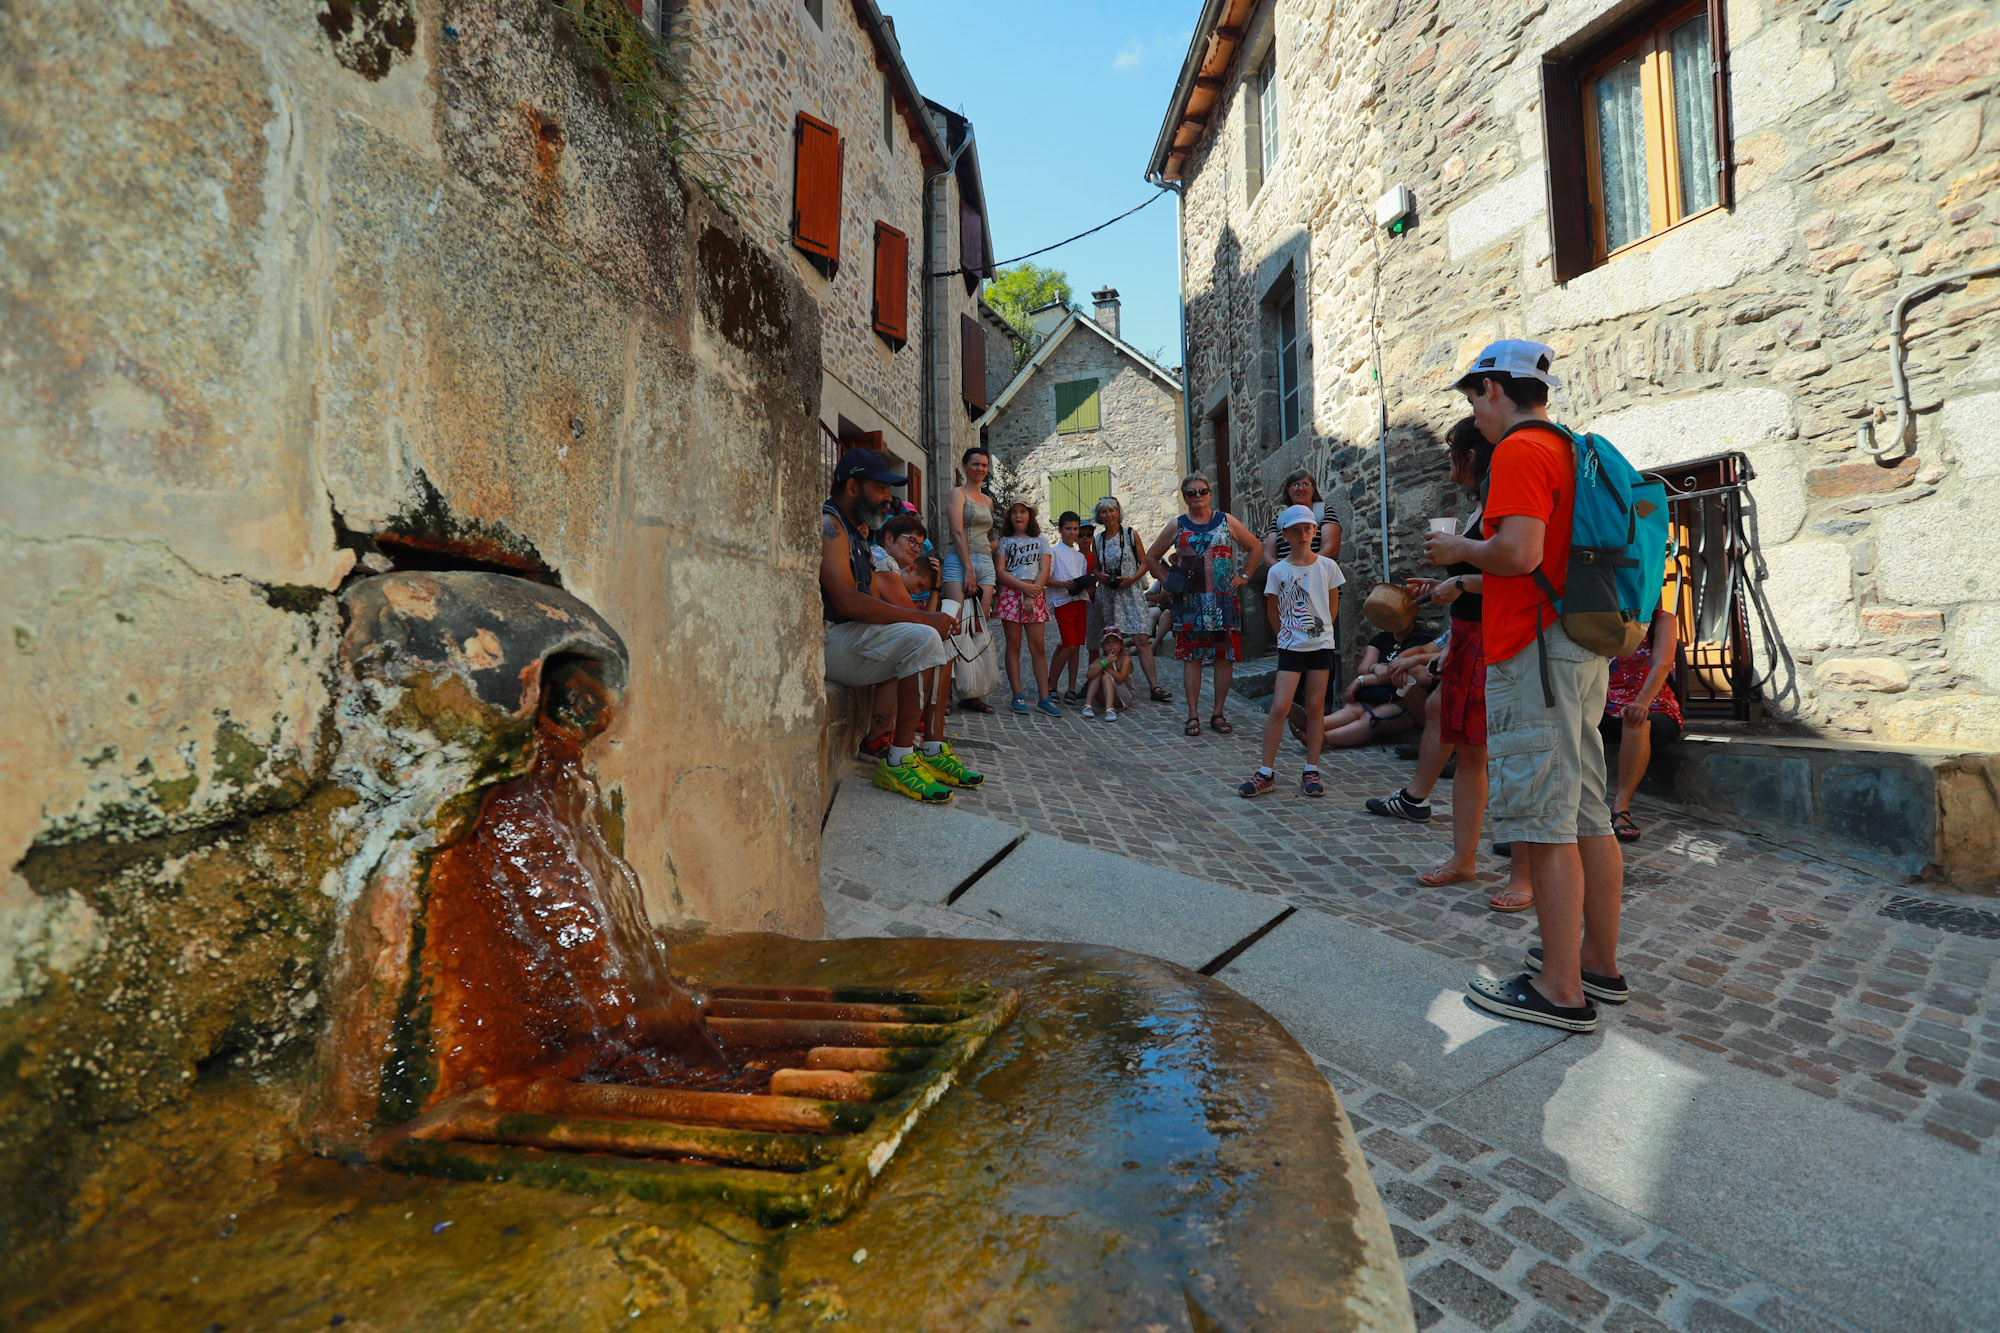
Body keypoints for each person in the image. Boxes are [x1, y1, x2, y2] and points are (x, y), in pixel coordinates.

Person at [1425, 338, 1624, 1033]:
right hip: (1575, 646)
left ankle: (1560, 988)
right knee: (1588, 814)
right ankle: (1597, 961)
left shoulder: (1516, 449)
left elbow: (1520, 552)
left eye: (1473, 397)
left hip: (1537, 653)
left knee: (1547, 818)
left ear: (1492, 390)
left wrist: (1459, 550)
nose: (1474, 415)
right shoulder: (1566, 447)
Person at [1365, 418, 1535, 911]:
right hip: (1466, 638)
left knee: (1506, 757)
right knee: (1471, 754)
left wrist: (1459, 584)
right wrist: (1442, 584)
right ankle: (1464, 859)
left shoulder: (1504, 502)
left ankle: (1522, 875)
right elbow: (1481, 572)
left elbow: (1523, 572)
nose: (1448, 461)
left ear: (1473, 454)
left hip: (1495, 640)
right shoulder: (1480, 506)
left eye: (1452, 450)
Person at [819, 450, 981, 803]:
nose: (888, 498)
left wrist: (934, 618)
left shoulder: (855, 532)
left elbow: (875, 598)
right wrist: (926, 618)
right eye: (879, 488)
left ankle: (931, 749)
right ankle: (899, 759)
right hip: (832, 642)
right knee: (922, 635)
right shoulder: (830, 525)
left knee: (937, 640)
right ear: (851, 486)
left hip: (853, 639)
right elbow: (846, 600)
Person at [1239, 506, 1346, 798]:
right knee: (1279, 707)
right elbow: (1273, 610)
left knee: (1315, 707)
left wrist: (1321, 633)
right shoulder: (1278, 571)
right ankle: (1265, 772)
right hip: (1291, 647)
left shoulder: (1328, 567)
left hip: (1320, 646)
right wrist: (1285, 636)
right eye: (1296, 530)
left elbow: (1332, 606)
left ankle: (1312, 768)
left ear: (1315, 532)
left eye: (1307, 529)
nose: (1302, 535)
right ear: (1285, 534)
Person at [1146, 473, 1262, 737]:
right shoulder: (1177, 525)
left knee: (1224, 658)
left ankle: (1218, 712)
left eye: (1202, 491)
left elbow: (1255, 547)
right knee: (1192, 659)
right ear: (1184, 497)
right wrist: (1169, 582)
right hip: (1189, 603)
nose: (1198, 496)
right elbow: (1151, 557)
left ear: (1210, 494)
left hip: (1223, 602)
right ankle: (1193, 714)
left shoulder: (1226, 521)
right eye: (1191, 492)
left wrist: (1243, 577)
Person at [1602, 607, 1681, 842]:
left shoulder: (1661, 619)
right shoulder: (1600, 619)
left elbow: (1663, 664)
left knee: (1636, 719)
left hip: (1654, 706)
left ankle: (1620, 807)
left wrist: (1641, 702)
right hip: (1606, 706)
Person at [1090, 496, 1172, 702]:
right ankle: (1116, 685)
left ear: (1118, 512)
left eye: (1112, 510)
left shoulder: (1130, 535)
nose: (1108, 515)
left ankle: (1155, 686)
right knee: (1112, 642)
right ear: (1099, 516)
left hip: (1131, 592)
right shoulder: (1097, 540)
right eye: (1104, 512)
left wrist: (1132, 579)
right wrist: (1100, 576)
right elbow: (1095, 568)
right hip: (1109, 596)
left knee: (1141, 639)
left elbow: (1145, 563)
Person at [1299, 624, 1435, 747]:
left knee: (1370, 718)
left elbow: (1397, 674)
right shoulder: (1381, 638)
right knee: (1352, 709)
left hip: (1401, 698)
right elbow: (1363, 668)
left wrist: (1361, 680)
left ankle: (1322, 739)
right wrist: (1374, 667)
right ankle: (1310, 724)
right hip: (1379, 693)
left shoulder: (1420, 639)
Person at [945, 448, 1000, 714]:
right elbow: (957, 531)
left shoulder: (988, 502)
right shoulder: (958, 494)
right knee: (953, 625)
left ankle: (972, 692)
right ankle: (943, 691)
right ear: (965, 466)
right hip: (959, 561)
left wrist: (997, 546)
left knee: (979, 627)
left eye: (984, 465)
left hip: (985, 564)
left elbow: (989, 535)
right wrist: (968, 569)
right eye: (975, 464)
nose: (980, 469)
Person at [995, 502, 1061, 716]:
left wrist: (1032, 592)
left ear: (1030, 515)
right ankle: (1018, 694)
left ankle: (1044, 696)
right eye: (1014, 512)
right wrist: (1023, 588)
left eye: (1022, 511)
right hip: (1011, 594)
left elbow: (1045, 568)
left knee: (1038, 647)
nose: (1018, 516)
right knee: (1013, 646)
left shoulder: (1041, 540)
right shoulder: (1004, 541)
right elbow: (1000, 571)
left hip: (1033, 594)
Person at [1046, 512, 1092, 703]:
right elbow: (1046, 579)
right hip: (1061, 601)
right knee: (1069, 644)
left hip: (1079, 601)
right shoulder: (1053, 552)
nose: (1072, 533)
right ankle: (1051, 685)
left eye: (1075, 529)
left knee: (1075, 646)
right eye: (1068, 529)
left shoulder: (1080, 557)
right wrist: (1064, 585)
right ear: (1060, 530)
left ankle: (1071, 688)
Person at [1261, 469, 1343, 565]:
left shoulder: (1324, 512)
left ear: (1313, 489)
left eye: (1305, 484)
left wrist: (1304, 569)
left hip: (1319, 575)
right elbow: (1268, 555)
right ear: (1288, 490)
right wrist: (1284, 572)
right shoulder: (1278, 520)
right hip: (1286, 578)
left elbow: (1331, 549)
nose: (1300, 488)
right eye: (1296, 485)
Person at [1082, 626, 1135, 720]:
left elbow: (1120, 678)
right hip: (1104, 697)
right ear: (1103, 646)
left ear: (1121, 644)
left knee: (1105, 676)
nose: (1111, 645)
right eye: (1107, 643)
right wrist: (1104, 662)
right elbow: (1089, 675)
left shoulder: (1125, 659)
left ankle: (1110, 709)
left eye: (1114, 642)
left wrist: (1105, 667)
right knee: (1097, 673)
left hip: (1122, 697)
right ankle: (1088, 705)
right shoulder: (1102, 660)